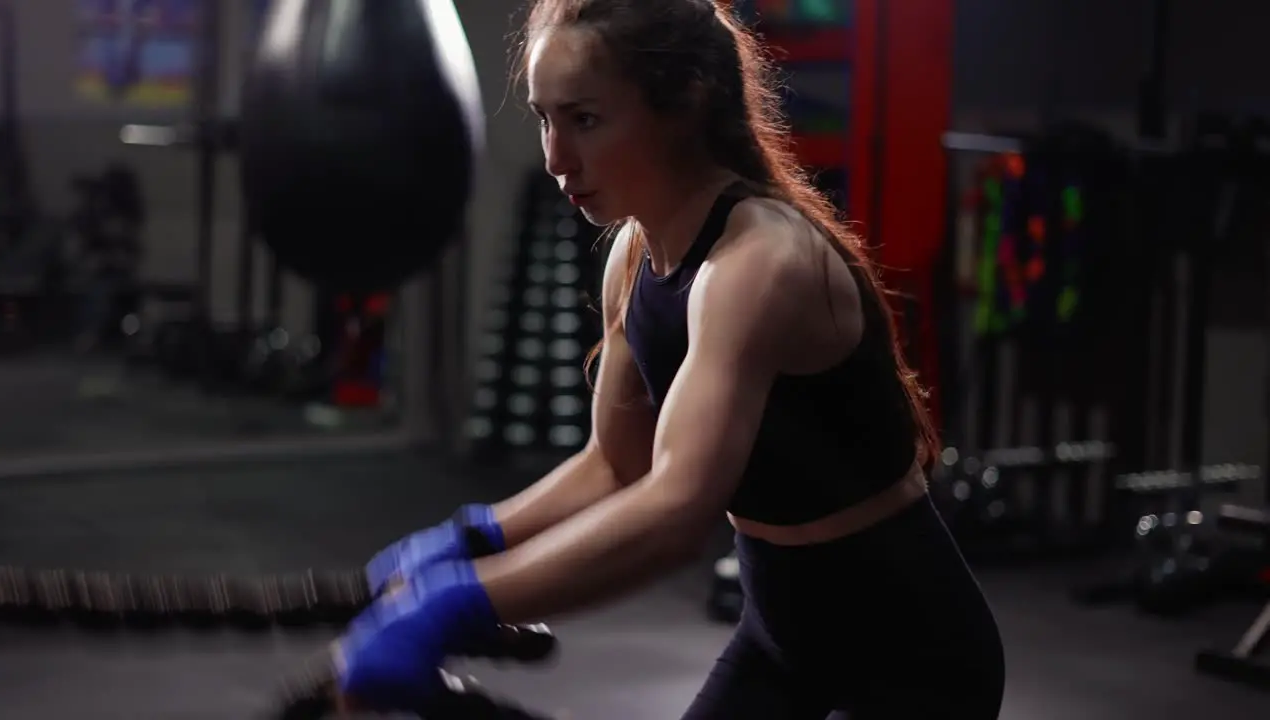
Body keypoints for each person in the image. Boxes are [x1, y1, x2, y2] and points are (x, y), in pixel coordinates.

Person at [335, 0, 1007, 717]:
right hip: (782, 638)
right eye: (544, 119)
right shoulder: (635, 251)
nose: (556, 158)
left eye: (585, 120)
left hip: (911, 657)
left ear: (684, 103)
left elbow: (678, 507)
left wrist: (457, 606)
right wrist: (472, 538)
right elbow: (616, 464)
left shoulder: (760, 264)